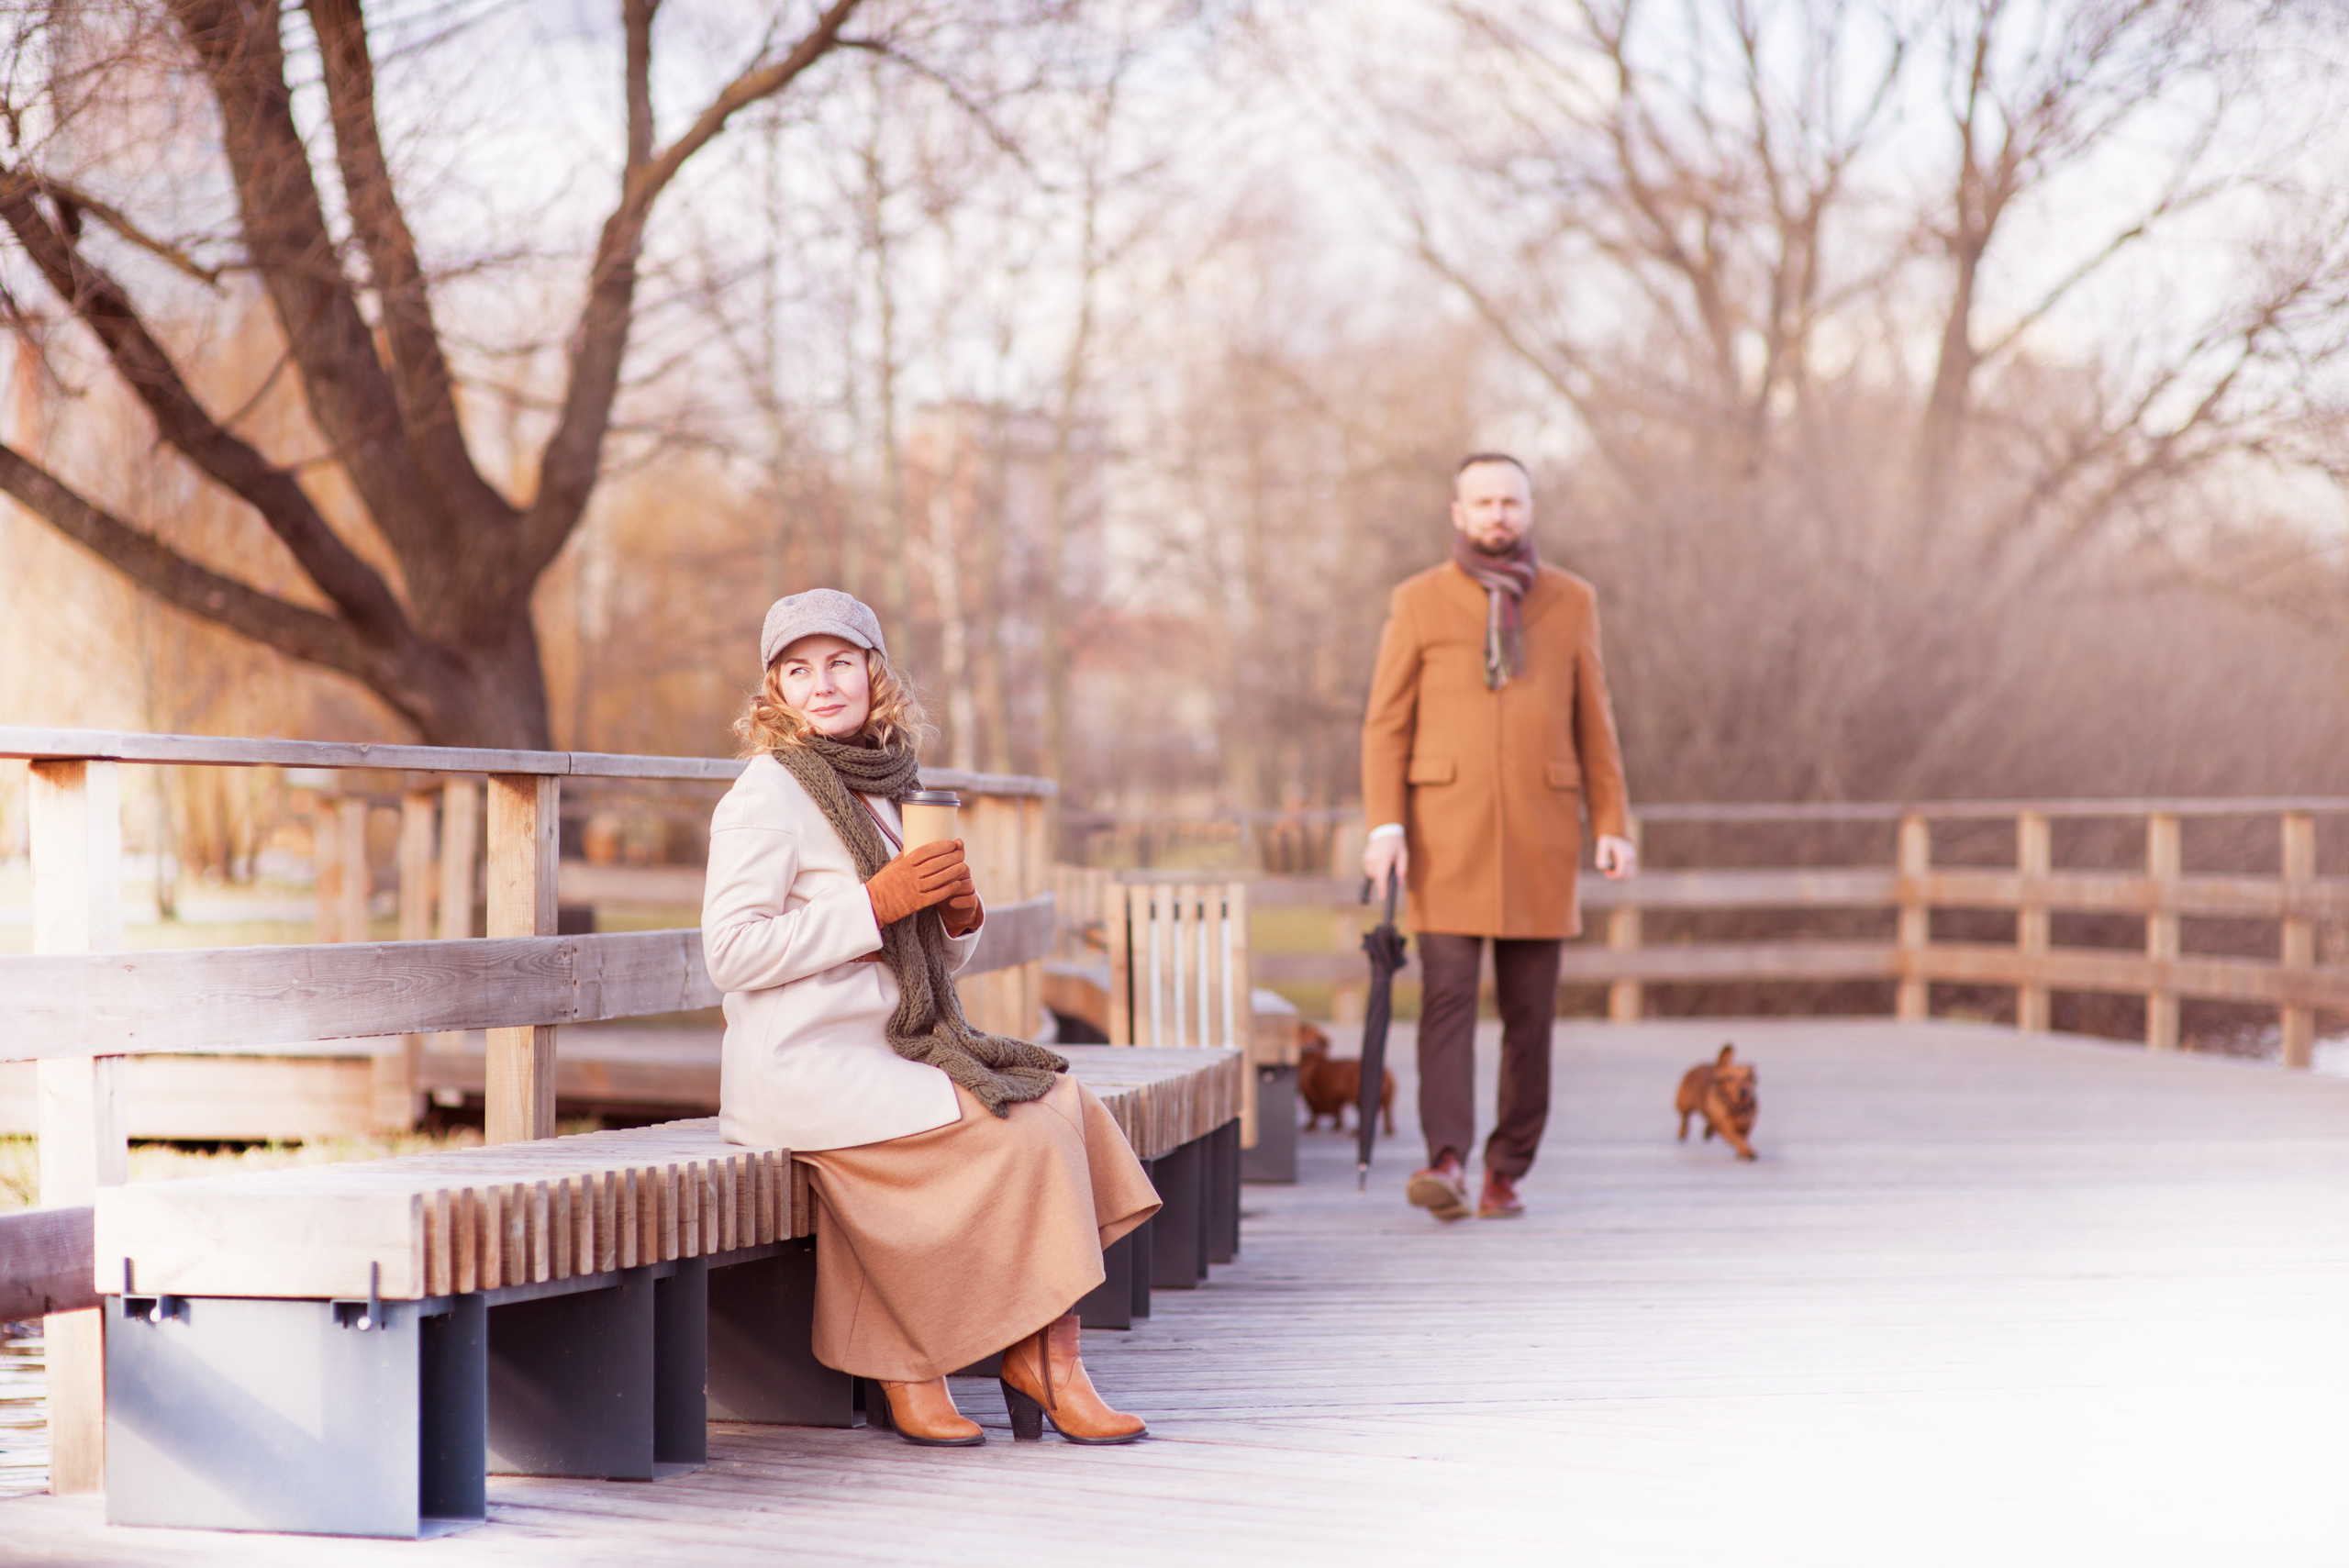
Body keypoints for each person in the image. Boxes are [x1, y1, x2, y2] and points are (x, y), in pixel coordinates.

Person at [704, 588, 1160, 1445]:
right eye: (797, 670)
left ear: (875, 673)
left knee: (1061, 1100)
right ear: (775, 689)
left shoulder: (891, 786)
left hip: (890, 1047)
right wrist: (874, 904)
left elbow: (923, 956)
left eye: (840, 662)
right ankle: (1038, 1367)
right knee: (1015, 1129)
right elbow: (730, 952)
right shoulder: (766, 794)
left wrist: (958, 920)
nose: (823, 685)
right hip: (805, 1063)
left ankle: (988, 1360)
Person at [1360, 454, 1635, 1221]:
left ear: (1529, 507)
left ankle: (1505, 1169)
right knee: (1446, 1001)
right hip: (1446, 838)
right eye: (1483, 501)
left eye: (1510, 500)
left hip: (1543, 839)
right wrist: (1386, 825)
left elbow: (1596, 723)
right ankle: (1445, 1159)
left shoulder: (1572, 600)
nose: (1498, 514)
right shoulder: (1417, 601)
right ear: (1458, 512)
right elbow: (1386, 724)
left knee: (1531, 1016)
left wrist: (1612, 825)